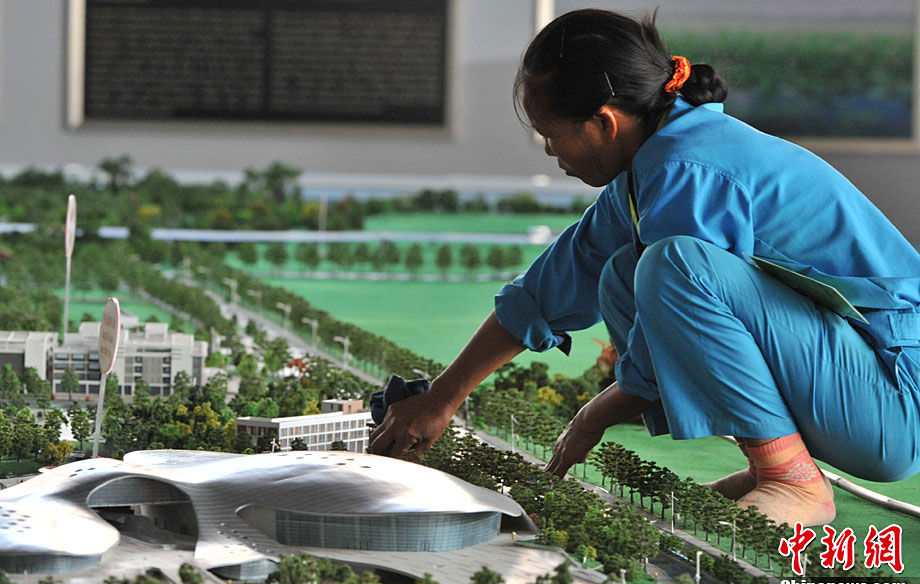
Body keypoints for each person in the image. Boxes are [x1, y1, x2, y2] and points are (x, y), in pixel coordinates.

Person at [370, 8, 920, 527]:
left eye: (552, 134)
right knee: (621, 272)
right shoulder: (651, 170)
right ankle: (771, 468)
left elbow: (684, 306)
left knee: (674, 265)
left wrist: (593, 415)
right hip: (855, 389)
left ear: (604, 123)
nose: (550, 152)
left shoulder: (688, 168)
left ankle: (791, 479)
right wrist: (441, 398)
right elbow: (548, 289)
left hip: (893, 402)